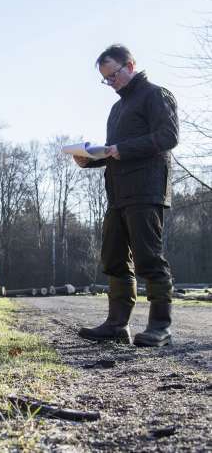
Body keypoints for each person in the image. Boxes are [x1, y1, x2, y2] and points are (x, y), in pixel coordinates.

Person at [74, 44, 178, 347]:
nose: (111, 83)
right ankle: (117, 325)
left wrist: (122, 149)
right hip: (117, 195)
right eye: (106, 79)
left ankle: (160, 326)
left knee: (149, 259)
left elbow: (168, 137)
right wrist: (90, 159)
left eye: (114, 75)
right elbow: (114, 152)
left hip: (146, 191)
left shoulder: (156, 95)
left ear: (130, 65)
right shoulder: (118, 108)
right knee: (114, 259)